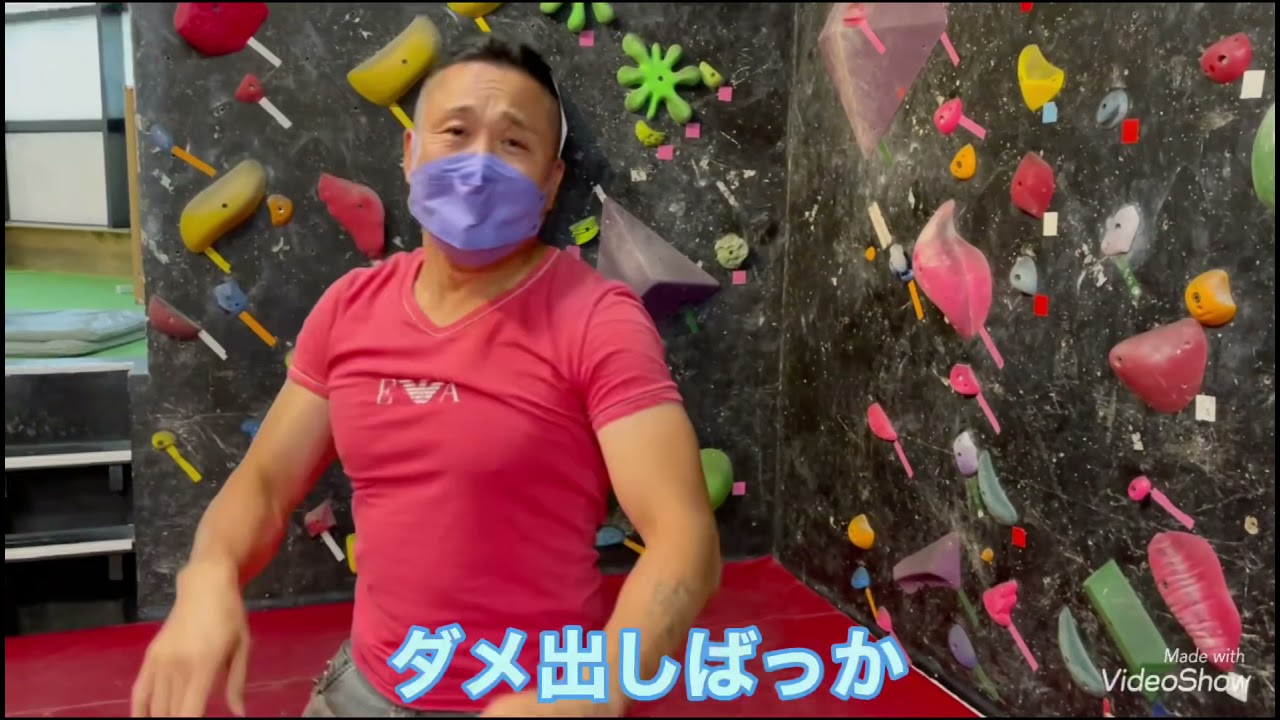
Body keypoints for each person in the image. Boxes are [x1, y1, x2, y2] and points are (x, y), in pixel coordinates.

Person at [130, 34, 721, 719]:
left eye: (513, 143)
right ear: (411, 153)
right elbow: (264, 484)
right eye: (456, 132)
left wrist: (598, 692)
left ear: (550, 182)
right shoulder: (350, 307)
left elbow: (684, 540)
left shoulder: (598, 319)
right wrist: (208, 574)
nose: (478, 164)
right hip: (362, 691)